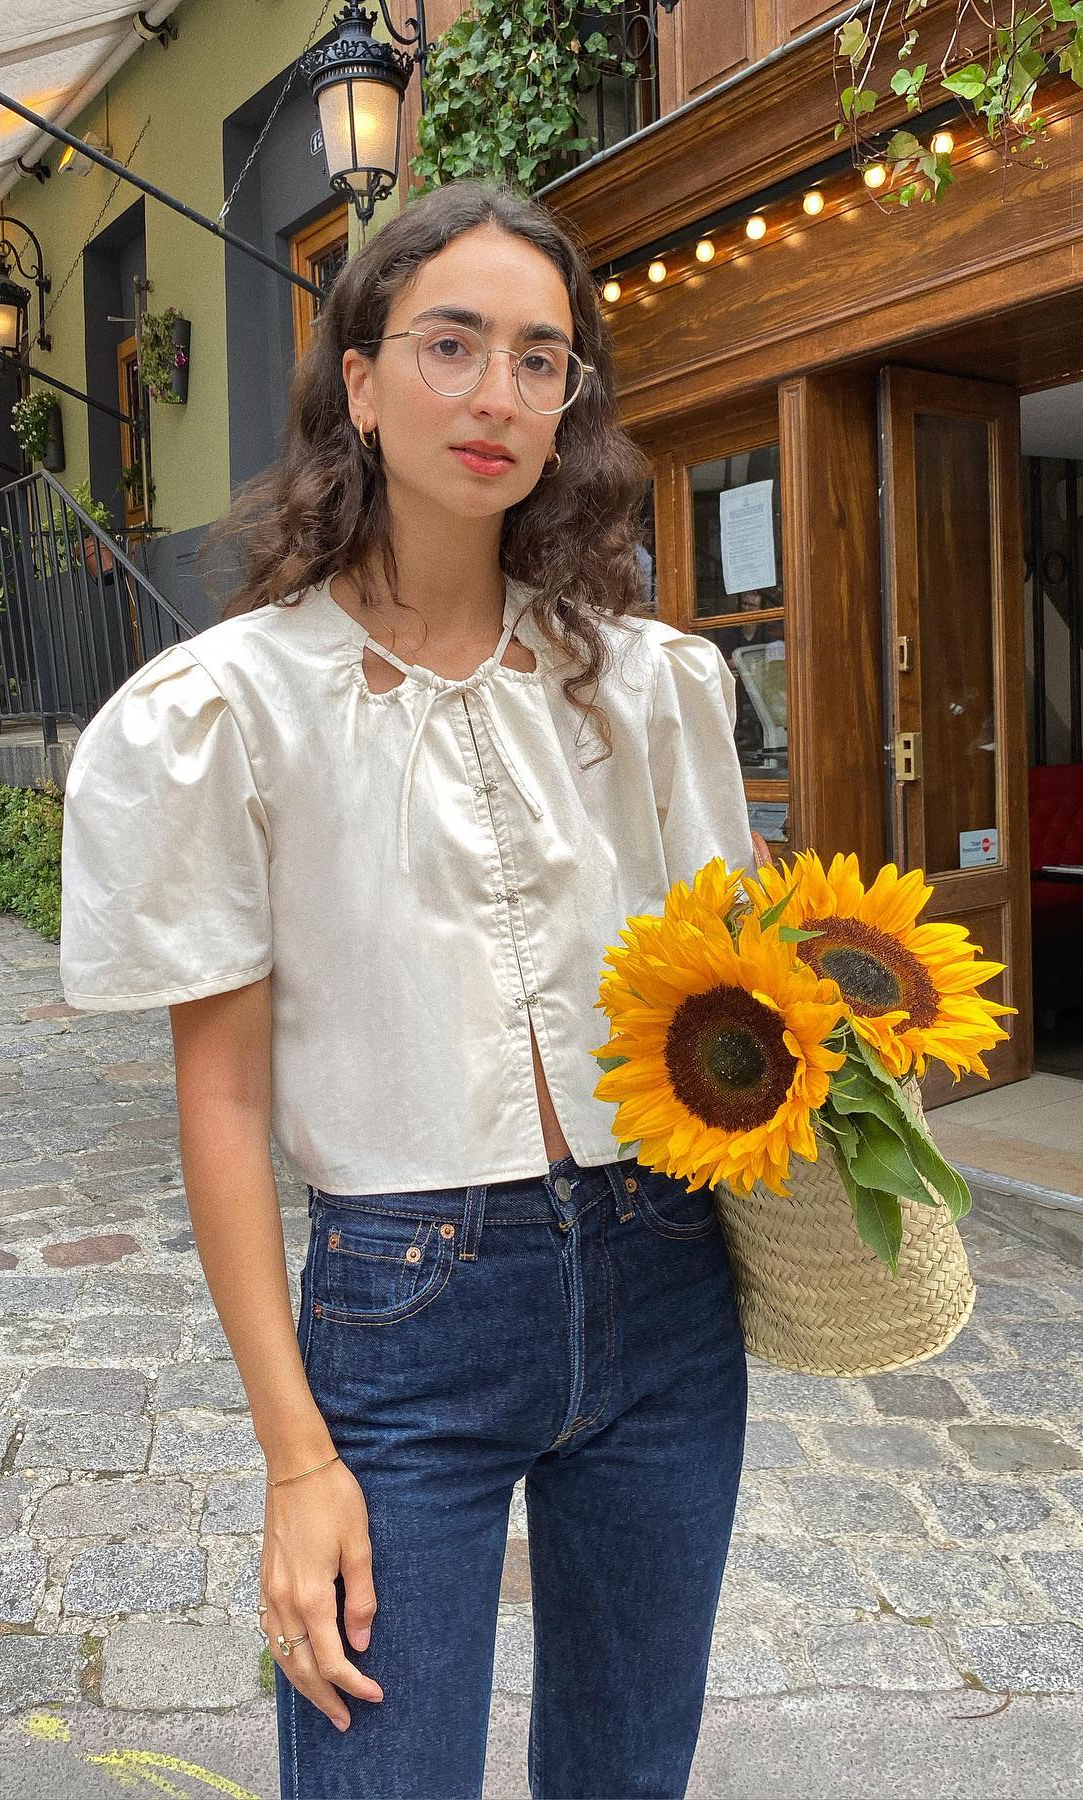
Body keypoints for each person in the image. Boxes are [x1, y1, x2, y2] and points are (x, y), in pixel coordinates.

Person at [59, 179, 760, 1800]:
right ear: (360, 383)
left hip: (666, 1281)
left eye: (539, 358)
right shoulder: (230, 713)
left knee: (629, 1773)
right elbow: (222, 1098)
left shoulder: (647, 692)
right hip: (404, 1307)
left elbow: (735, 992)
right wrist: (296, 1457)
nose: (496, 395)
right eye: (450, 345)